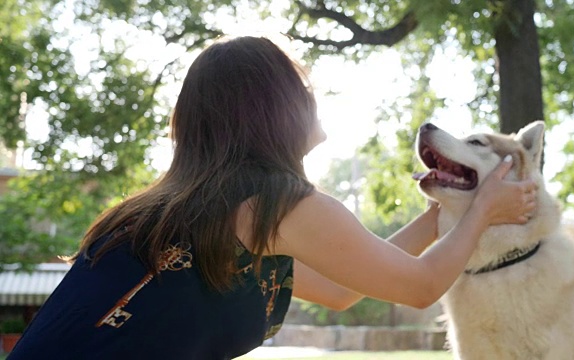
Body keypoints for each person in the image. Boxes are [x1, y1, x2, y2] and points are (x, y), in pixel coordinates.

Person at [9, 36, 537, 360]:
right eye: (301, 86)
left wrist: (439, 215)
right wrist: (486, 208)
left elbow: (340, 289)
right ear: (272, 107)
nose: (313, 95)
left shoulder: (193, 210)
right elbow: (420, 287)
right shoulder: (276, 203)